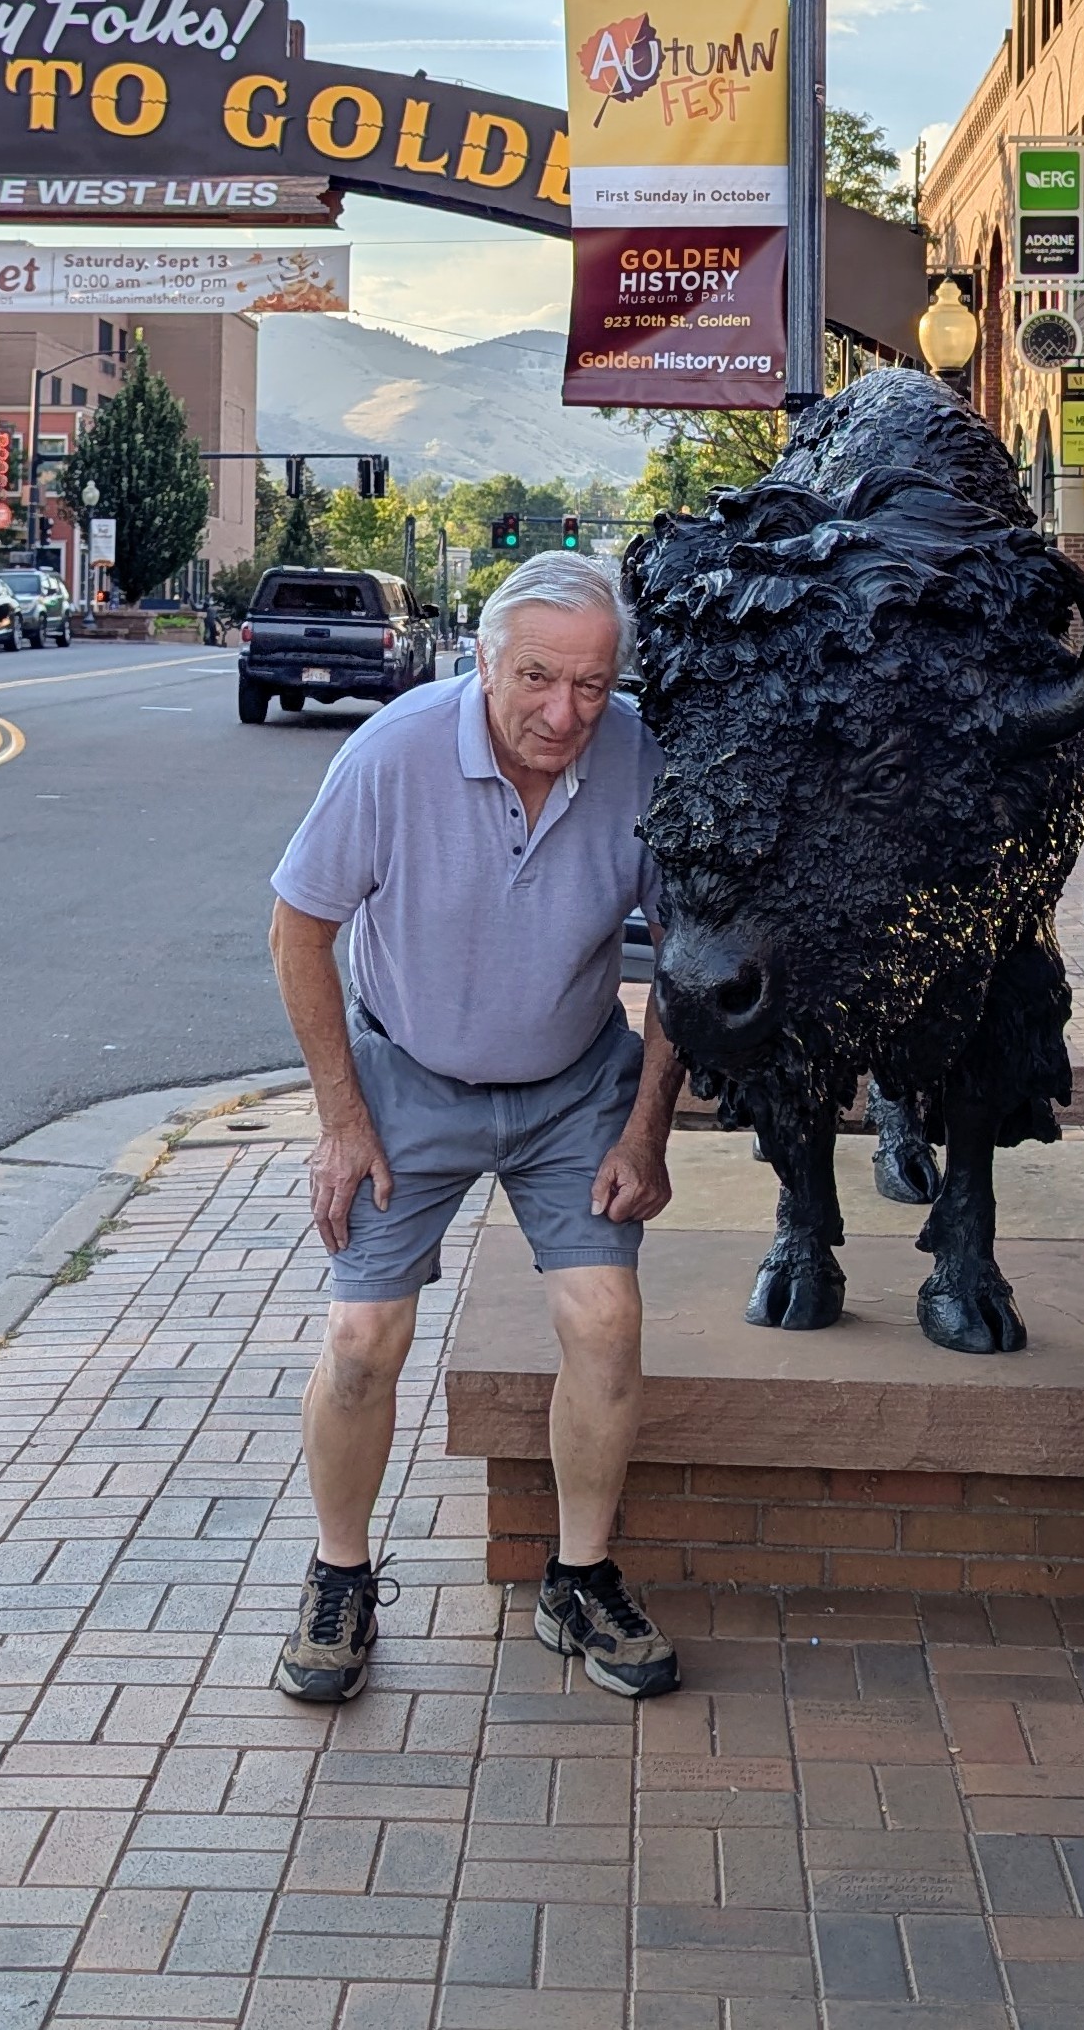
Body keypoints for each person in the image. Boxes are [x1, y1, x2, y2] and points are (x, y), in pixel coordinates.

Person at [267, 551, 687, 1703]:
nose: (564, 713)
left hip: (572, 1077)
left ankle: (580, 1575)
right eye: (539, 678)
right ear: (485, 659)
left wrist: (646, 1128)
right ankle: (340, 1576)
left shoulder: (643, 756)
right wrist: (342, 1120)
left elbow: (691, 955)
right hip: (408, 1072)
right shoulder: (392, 753)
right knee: (363, 1339)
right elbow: (298, 931)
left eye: (593, 686)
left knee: (604, 1318)